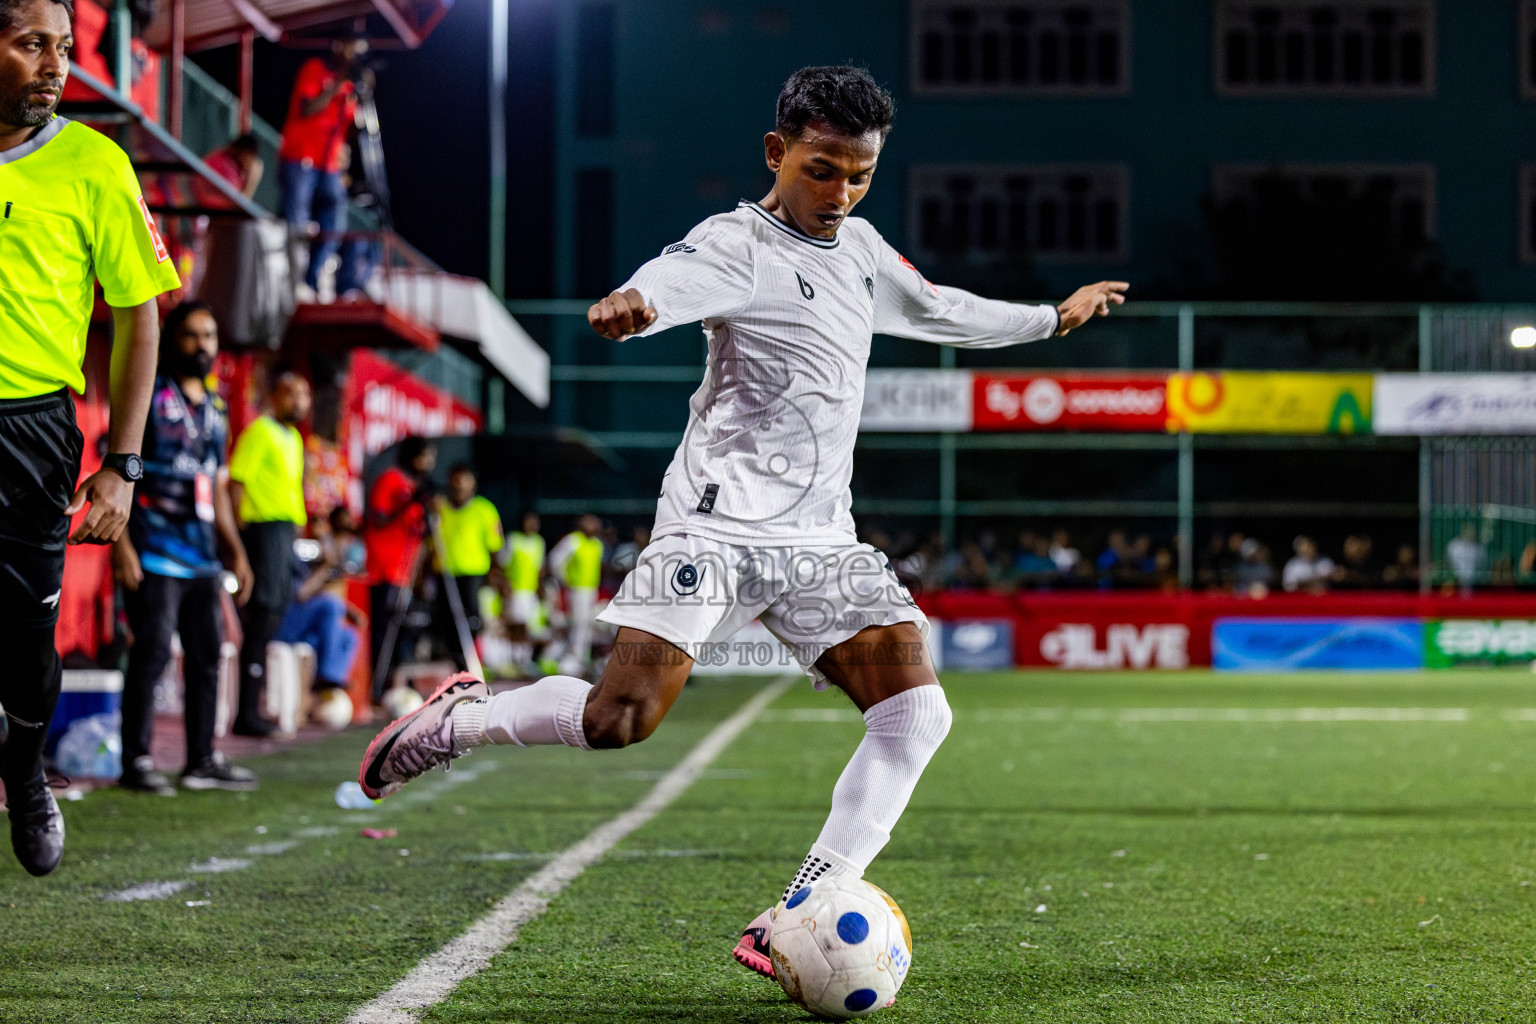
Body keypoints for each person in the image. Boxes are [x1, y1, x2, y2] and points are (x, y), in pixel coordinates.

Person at [357, 65, 1125, 980]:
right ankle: (464, 720)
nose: (839, 192)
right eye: (822, 168)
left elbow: (941, 310)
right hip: (713, 530)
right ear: (777, 152)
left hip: (819, 544)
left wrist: (1049, 318)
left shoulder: (866, 250)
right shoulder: (736, 242)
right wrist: (633, 309)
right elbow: (668, 281)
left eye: (859, 174)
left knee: (916, 714)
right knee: (620, 720)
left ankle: (801, 905)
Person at [0, 0, 181, 875]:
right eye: (33, 44)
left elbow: (140, 316)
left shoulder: (93, 163)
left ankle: (25, 768)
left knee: (28, 646)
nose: (54, 65)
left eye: (63, 48)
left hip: (31, 434)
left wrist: (123, 466)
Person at [113, 302, 258, 794]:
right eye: (193, 335)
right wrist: (121, 546)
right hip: (153, 549)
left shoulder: (217, 410)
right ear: (172, 339)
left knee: (207, 657)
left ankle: (202, 759)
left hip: (203, 557)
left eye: (210, 334)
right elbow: (119, 472)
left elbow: (215, 487)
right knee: (151, 654)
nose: (203, 345)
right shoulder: (149, 394)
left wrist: (235, 551)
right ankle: (135, 760)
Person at [227, 371, 310, 736]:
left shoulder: (293, 437)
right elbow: (236, 483)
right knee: (260, 621)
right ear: (274, 395)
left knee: (273, 618)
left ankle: (253, 709)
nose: (298, 402)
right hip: (262, 533)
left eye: (303, 395)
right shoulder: (260, 431)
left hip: (284, 534)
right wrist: (239, 543)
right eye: (290, 393)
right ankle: (246, 714)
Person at [277, 36, 369, 302]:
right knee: (296, 221)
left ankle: (311, 280)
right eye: (354, 49)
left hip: (328, 165)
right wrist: (338, 84)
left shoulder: (350, 88)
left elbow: (356, 130)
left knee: (334, 222)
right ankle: (292, 280)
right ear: (339, 46)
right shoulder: (314, 69)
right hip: (300, 157)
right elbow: (308, 108)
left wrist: (362, 97)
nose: (356, 57)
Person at [364, 436, 435, 702]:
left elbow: (419, 537)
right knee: (382, 631)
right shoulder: (390, 480)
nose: (429, 463)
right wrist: (410, 502)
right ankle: (377, 688)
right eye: (426, 456)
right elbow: (379, 519)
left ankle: (395, 686)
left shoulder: (416, 488)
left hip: (405, 573)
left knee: (402, 631)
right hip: (382, 569)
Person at [276, 507, 364, 697]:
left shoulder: (316, 554)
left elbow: (318, 595)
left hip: (305, 629)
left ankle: (328, 680)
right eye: (315, 523)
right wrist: (325, 566)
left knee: (349, 635)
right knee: (332, 605)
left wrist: (350, 612)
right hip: (284, 624)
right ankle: (327, 675)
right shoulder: (292, 551)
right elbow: (301, 594)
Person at [434, 464, 503, 668]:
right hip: (445, 571)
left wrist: (495, 573)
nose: (459, 485)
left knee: (471, 616)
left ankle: (471, 656)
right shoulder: (441, 508)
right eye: (455, 479)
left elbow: (495, 545)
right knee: (446, 618)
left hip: (473, 571)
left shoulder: (484, 509)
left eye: (464, 479)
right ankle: (454, 656)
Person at [547, 514, 603, 675]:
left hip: (592, 589)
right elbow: (555, 560)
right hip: (576, 590)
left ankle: (582, 658)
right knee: (578, 624)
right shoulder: (573, 540)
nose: (593, 525)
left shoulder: (597, 544)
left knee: (587, 625)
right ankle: (573, 659)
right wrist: (564, 580)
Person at [500, 510, 546, 669]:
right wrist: (505, 586)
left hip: (530, 591)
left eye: (534, 522)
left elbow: (540, 568)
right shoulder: (513, 540)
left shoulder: (539, 542)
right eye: (528, 521)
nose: (531, 525)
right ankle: (512, 659)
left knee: (529, 626)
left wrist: (540, 589)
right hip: (516, 589)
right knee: (515, 625)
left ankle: (524, 659)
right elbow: (504, 564)